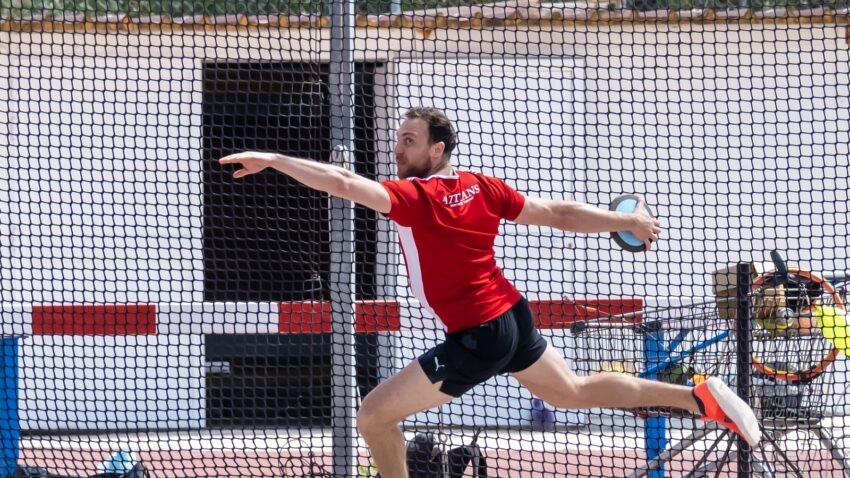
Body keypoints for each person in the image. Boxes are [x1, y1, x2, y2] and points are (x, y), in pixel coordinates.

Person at [219, 106, 760, 477]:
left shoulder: (416, 197)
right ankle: (698, 397)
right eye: (398, 139)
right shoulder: (482, 186)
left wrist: (274, 160)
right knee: (571, 391)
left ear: (438, 149)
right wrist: (626, 223)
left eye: (408, 141)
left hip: (480, 334)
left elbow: (340, 182)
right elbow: (556, 214)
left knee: (373, 417)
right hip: (511, 316)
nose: (397, 148)